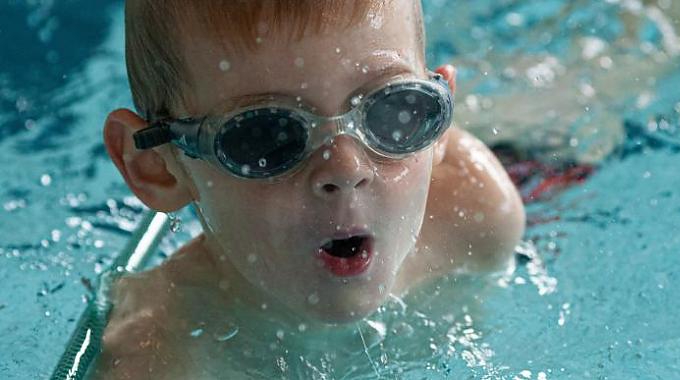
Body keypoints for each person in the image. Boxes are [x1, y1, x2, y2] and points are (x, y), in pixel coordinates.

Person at [89, 0, 525, 378]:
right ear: (156, 168)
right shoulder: (161, 353)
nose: (346, 168)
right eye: (267, 137)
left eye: (395, 111)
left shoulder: (473, 215)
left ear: (438, 122)